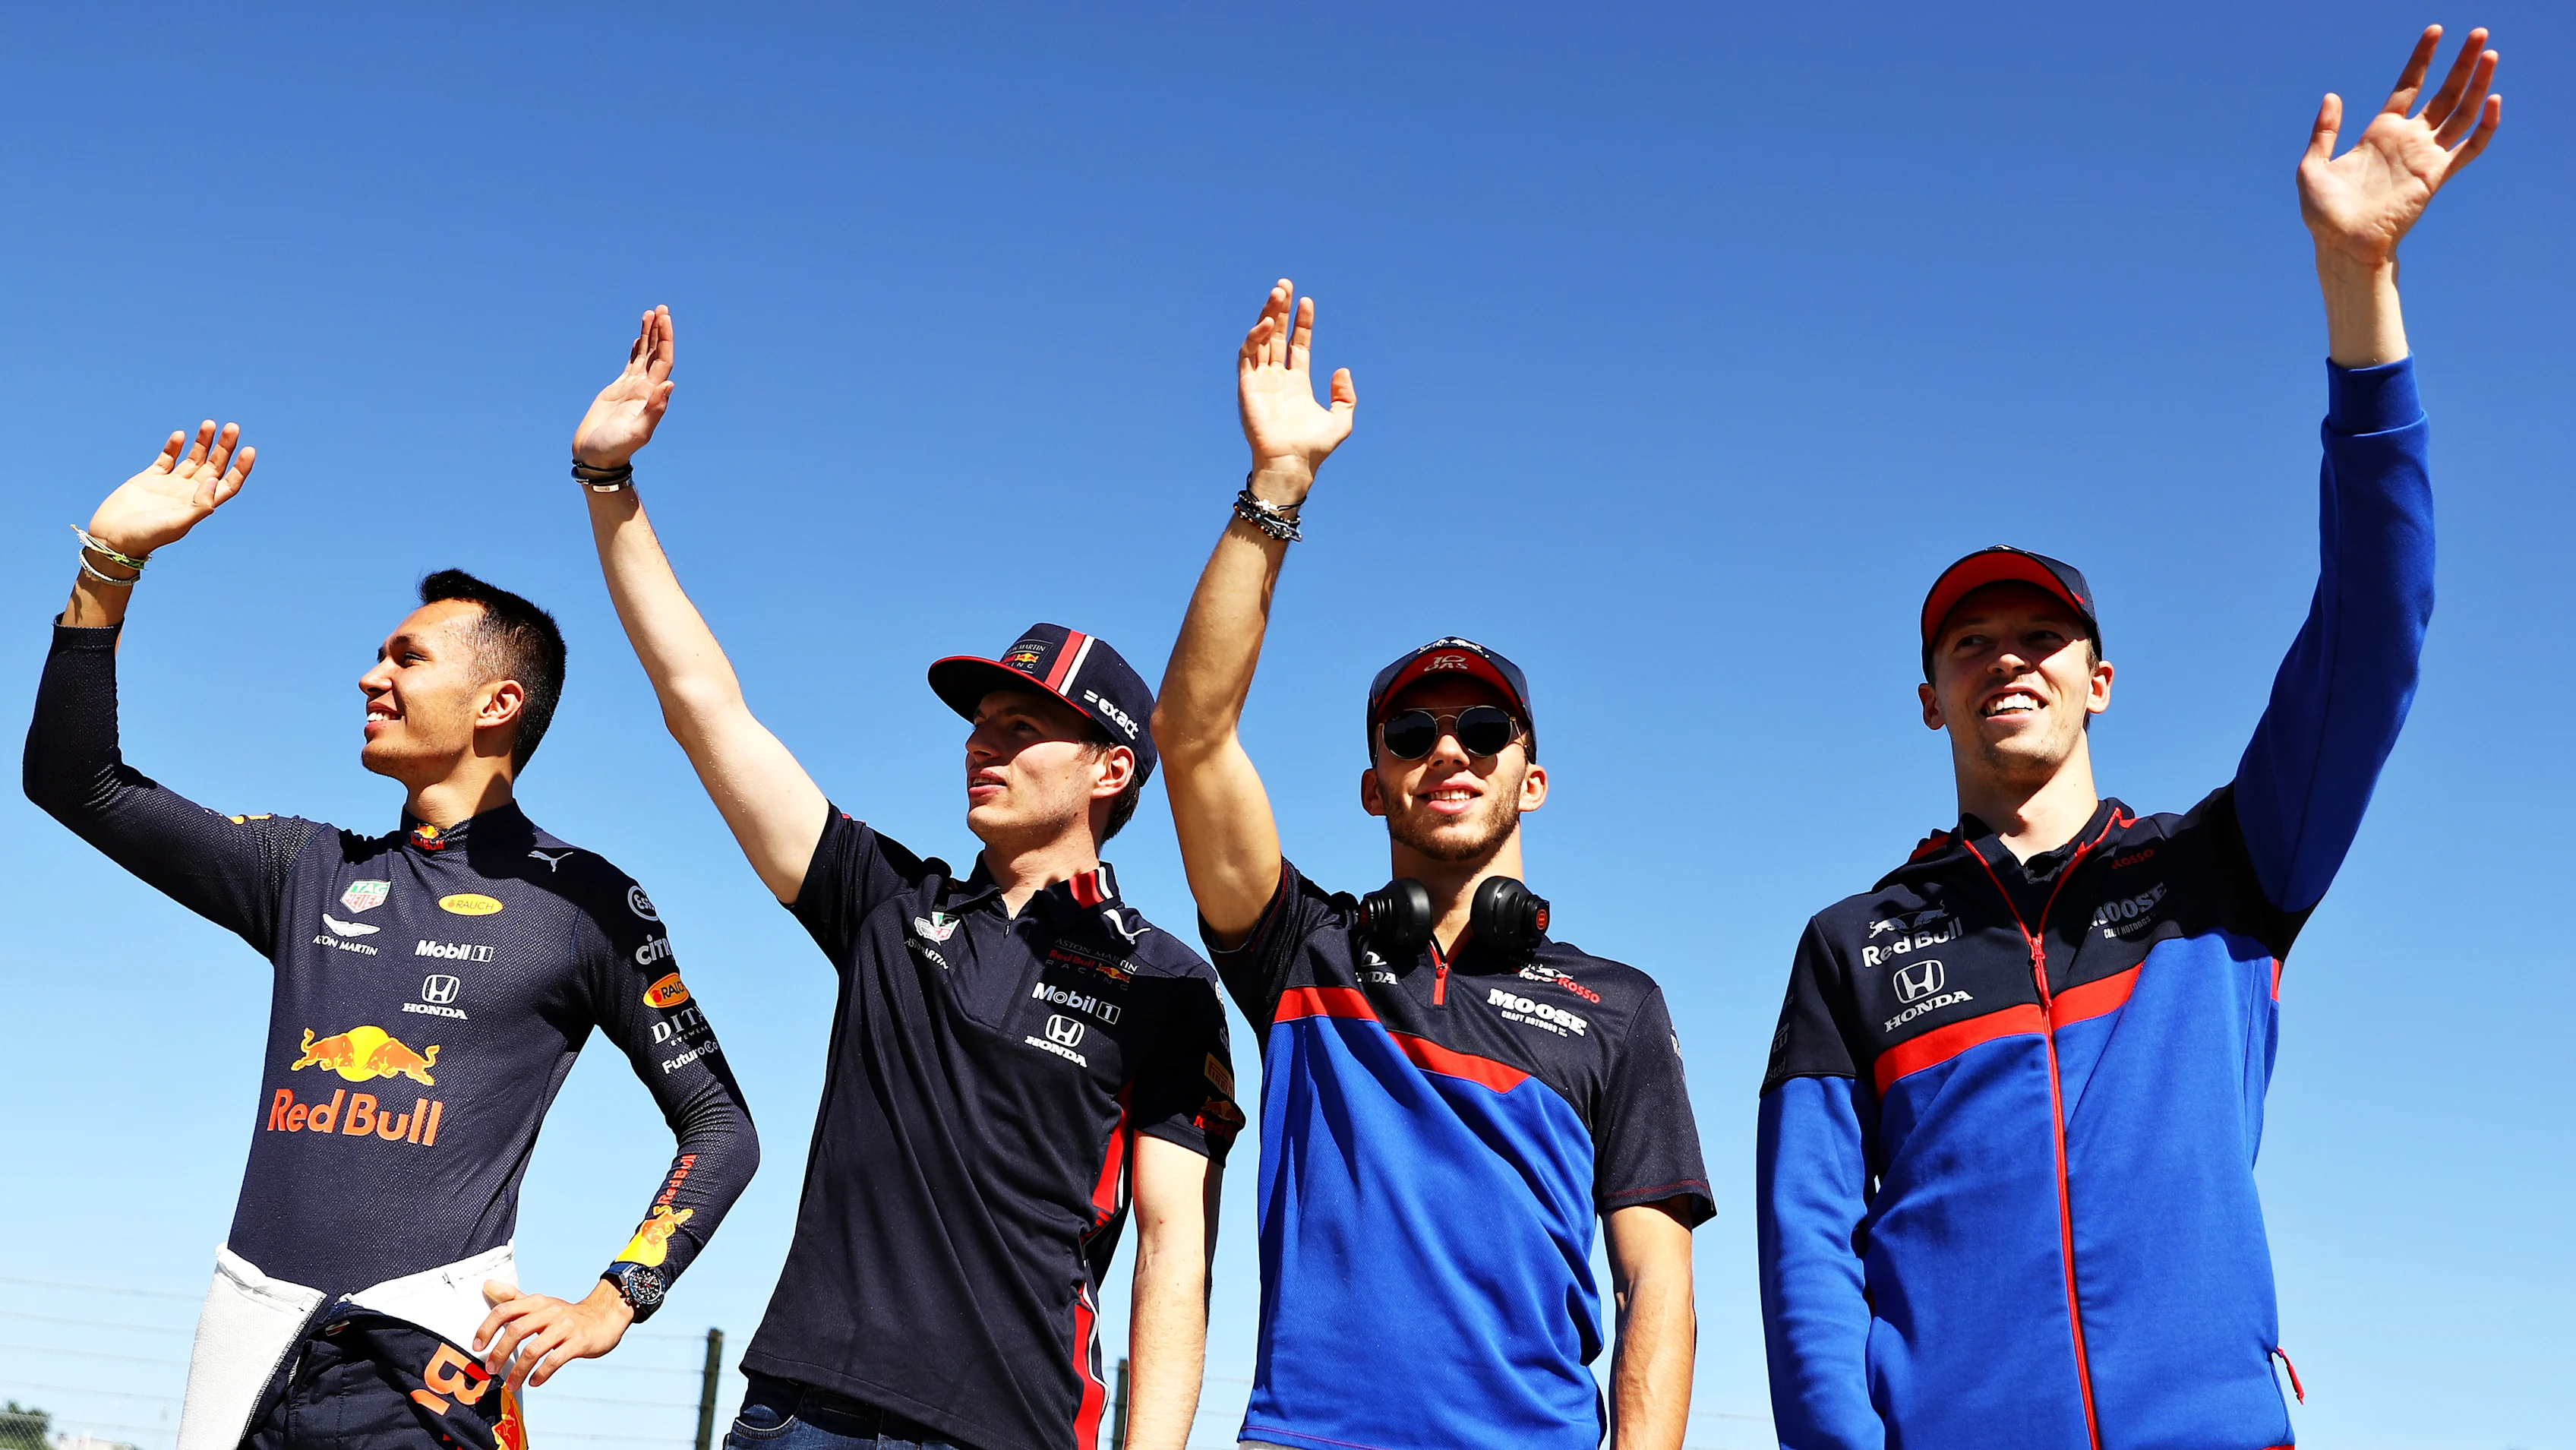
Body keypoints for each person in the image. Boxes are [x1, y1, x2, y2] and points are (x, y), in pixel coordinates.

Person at [1754, 26, 2500, 1450]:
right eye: (1970, 644)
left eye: (2041, 640)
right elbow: (1807, 1262)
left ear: (2101, 682)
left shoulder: (2233, 865)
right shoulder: (1851, 948)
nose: (2006, 662)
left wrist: (2362, 285)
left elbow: (2374, 630)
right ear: (1929, 698)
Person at [565, 308, 1242, 1450]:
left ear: (1111, 768)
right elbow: (704, 710)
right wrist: (607, 481)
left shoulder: (1167, 981)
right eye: (979, 725)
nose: (984, 744)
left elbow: (1178, 1256)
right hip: (797, 1416)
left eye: (1024, 729)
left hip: (1010, 1433)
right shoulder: (889, 904)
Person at [24, 423, 759, 1450]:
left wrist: (616, 1298)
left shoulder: (591, 902)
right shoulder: (304, 869)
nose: (371, 676)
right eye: (377, 655)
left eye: (406, 657)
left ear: (498, 703)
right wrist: (111, 564)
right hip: (246, 1336)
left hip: (434, 1349)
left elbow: (722, 1128)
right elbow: (78, 782)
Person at [1151, 281, 1712, 1450]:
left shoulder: (1621, 1006)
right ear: (1374, 785)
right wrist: (1275, 494)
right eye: (1412, 736)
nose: (1448, 752)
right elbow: (1192, 736)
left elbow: (1657, 1288)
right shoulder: (1303, 952)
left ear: (1532, 777)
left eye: (1484, 733)